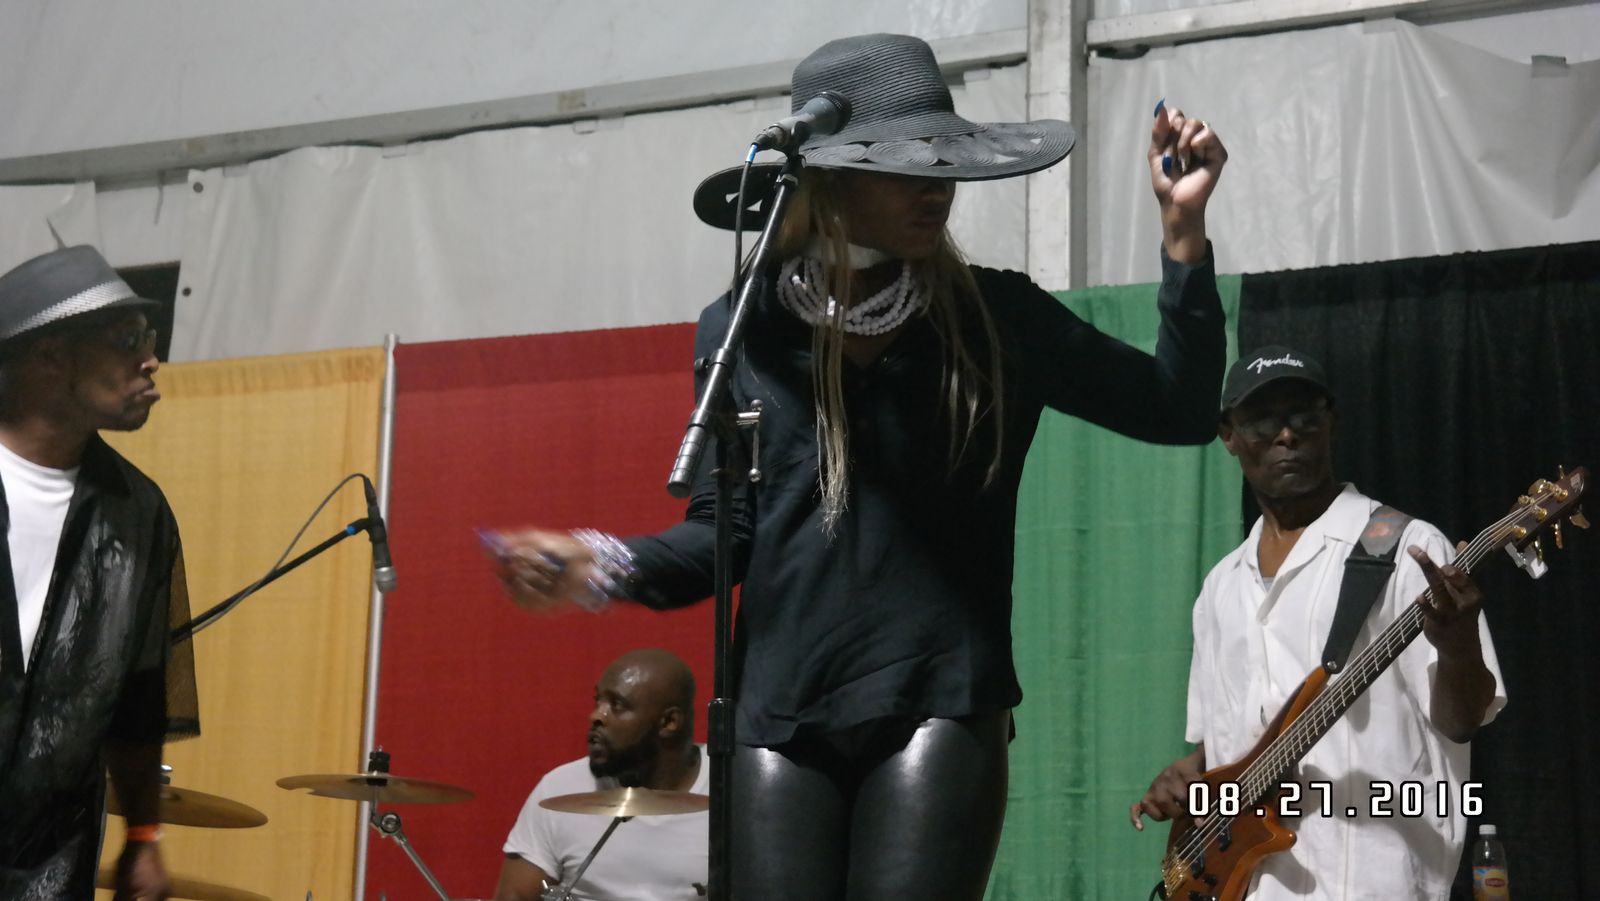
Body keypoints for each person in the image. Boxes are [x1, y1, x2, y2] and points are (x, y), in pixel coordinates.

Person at [488, 33, 1229, 900]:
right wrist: (601, 562)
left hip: (936, 698)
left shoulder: (997, 317)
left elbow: (1177, 409)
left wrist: (1183, 232)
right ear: (830, 178)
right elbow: (725, 534)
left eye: (945, 161)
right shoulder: (743, 328)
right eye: (907, 163)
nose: (937, 184)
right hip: (778, 711)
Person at [1130, 346, 1506, 899]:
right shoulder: (1220, 588)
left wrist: (1458, 646)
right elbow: (1231, 743)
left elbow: (1462, 720)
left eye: (1304, 417)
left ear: (1332, 421)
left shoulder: (1408, 549)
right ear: (1228, 436)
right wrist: (1190, 774)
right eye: (1263, 422)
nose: (1287, 435)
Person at [0, 245, 199, 899]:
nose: (150, 359)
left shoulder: (138, 512)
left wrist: (143, 833)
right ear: (49, 357)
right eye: (127, 338)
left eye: (149, 338)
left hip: (48, 862)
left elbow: (140, 697)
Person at [494, 648, 707, 901]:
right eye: (598, 701)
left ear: (669, 722)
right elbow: (514, 895)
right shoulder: (559, 789)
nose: (596, 715)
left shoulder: (734, 787)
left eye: (617, 705)